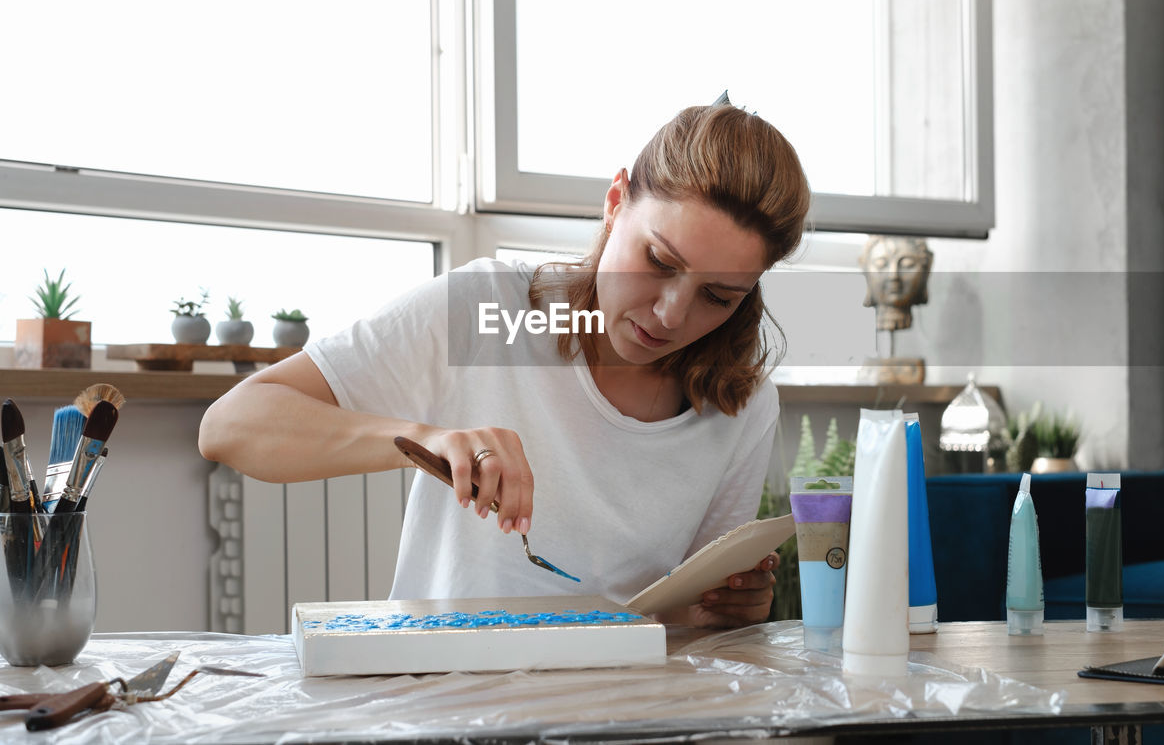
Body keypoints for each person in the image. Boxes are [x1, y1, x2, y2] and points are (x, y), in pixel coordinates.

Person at [199, 98, 811, 628]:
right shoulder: (493, 314)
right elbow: (229, 427)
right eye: (658, 260)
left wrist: (720, 610)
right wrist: (421, 438)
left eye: (717, 296)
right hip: (444, 700)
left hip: (618, 708)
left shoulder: (744, 401)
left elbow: (684, 619)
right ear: (616, 201)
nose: (672, 315)